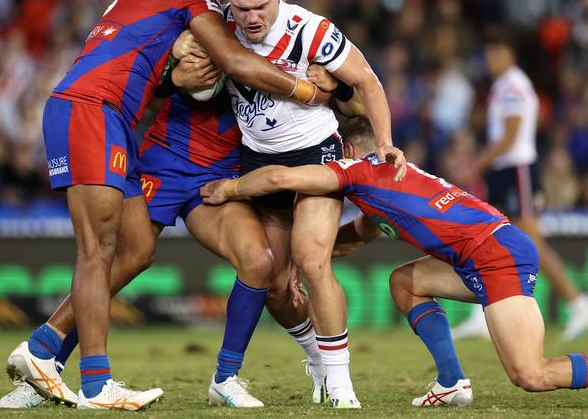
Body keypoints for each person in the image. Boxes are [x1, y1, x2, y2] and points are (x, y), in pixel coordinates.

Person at [3, 0, 329, 411]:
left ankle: (47, 352)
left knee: (137, 251)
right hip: (144, 143)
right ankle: (76, 376)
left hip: (204, 165)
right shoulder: (199, 1)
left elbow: (140, 55)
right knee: (100, 253)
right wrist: (305, 91)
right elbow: (219, 63)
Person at [201, 116, 588, 407]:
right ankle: (452, 382)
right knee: (405, 282)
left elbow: (277, 180)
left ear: (346, 148)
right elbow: (357, 236)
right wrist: (306, 257)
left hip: (496, 256)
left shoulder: (356, 170)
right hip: (485, 250)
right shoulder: (389, 179)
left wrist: (230, 188)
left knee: (531, 374)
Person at [222, 0, 405, 409]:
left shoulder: (310, 30)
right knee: (275, 283)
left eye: (260, 7)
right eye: (242, 9)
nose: (251, 18)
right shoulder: (216, 25)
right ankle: (316, 358)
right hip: (258, 159)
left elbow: (365, 78)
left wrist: (384, 141)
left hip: (316, 152)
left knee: (311, 259)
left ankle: (341, 383)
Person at [452, 27, 588, 341]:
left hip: (518, 171)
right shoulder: (504, 85)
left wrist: (474, 165)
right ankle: (482, 315)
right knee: (490, 241)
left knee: (532, 243)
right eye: (488, 53)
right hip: (505, 170)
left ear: (509, 54)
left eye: (495, 52)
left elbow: (510, 137)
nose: (490, 59)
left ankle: (578, 302)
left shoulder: (513, 84)